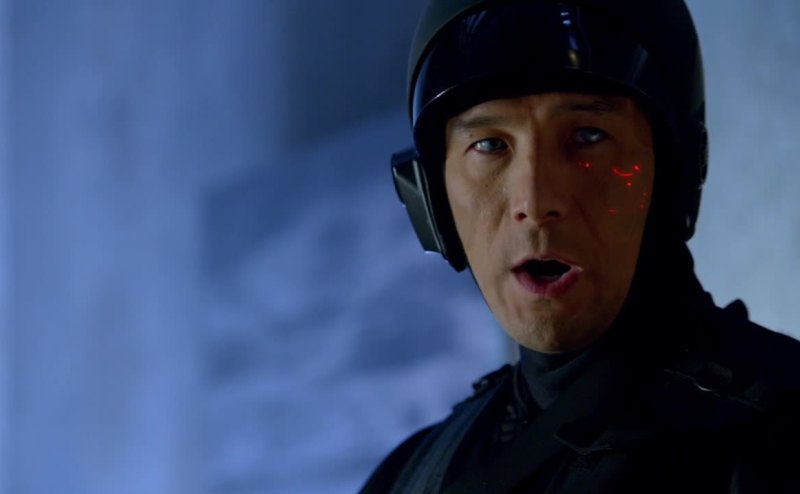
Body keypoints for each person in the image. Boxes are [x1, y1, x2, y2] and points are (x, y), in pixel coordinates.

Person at [360, 0, 800, 492]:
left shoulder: (779, 438)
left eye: (588, 136)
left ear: (672, 175)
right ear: (431, 198)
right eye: (489, 145)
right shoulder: (408, 477)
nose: (534, 202)